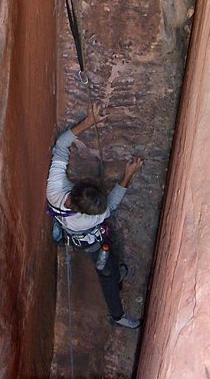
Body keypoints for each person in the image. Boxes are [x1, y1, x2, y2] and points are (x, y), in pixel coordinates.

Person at [47, 103, 143, 329]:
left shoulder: (54, 192)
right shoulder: (95, 218)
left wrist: (89, 121)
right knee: (107, 274)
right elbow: (112, 203)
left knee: (105, 249)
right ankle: (118, 316)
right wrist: (128, 175)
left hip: (73, 231)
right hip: (91, 243)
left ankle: (60, 235)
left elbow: (61, 145)